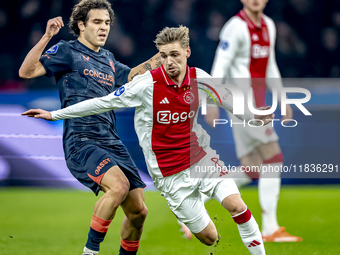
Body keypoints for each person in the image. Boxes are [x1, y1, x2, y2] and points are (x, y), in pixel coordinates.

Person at [22, 25, 275, 255]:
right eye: (163, 56)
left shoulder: (200, 78)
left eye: (174, 55)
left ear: (187, 52)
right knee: (210, 238)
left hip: (200, 159)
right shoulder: (146, 85)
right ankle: (196, 213)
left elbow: (229, 101)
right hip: (169, 176)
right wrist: (56, 114)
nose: (168, 61)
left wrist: (256, 117)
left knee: (236, 206)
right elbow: (102, 103)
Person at [18, 0, 161, 254]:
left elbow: (130, 77)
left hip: (111, 140)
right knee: (118, 187)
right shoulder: (67, 51)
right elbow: (26, 72)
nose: (104, 28)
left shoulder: (108, 58)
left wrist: (160, 56)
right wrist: (47, 36)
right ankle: (90, 252)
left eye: (107, 23)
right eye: (97, 22)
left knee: (139, 211)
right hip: (82, 139)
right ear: (81, 25)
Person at [206, 0, 302, 242]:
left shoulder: (269, 25)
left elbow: (270, 66)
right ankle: (270, 229)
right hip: (243, 105)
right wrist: (208, 102)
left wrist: (283, 99)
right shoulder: (235, 27)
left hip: (257, 102)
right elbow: (220, 64)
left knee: (253, 168)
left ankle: (197, 197)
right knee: (274, 156)